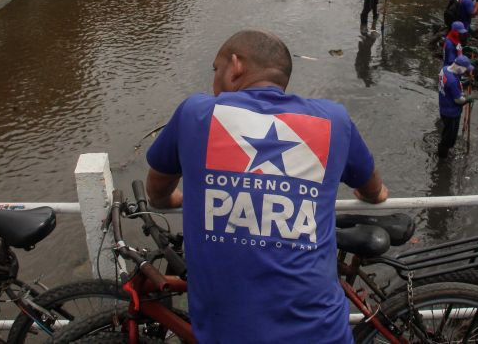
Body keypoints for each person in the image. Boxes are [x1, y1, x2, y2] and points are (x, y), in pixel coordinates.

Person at [146, 29, 389, 343]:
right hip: (322, 333)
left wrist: (175, 199)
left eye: (216, 68)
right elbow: (373, 187)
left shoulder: (197, 113)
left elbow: (157, 191)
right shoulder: (334, 120)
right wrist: (376, 196)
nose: (214, 79)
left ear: (235, 66)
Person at [437, 55, 475, 158]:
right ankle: (442, 158)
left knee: (448, 134)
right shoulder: (452, 81)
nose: (465, 72)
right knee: (448, 138)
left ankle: (445, 151)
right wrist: (469, 98)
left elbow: (454, 82)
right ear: (459, 68)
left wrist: (465, 82)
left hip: (444, 107)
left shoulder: (445, 69)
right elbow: (459, 100)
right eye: (465, 70)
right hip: (451, 113)